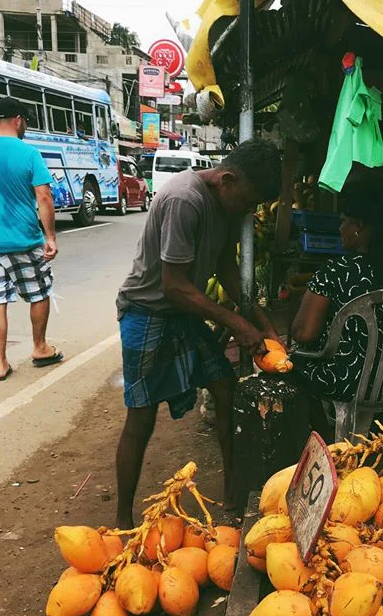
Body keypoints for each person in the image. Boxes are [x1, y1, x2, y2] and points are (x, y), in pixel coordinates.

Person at [114, 138, 283, 528]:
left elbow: (226, 267)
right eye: (247, 202)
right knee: (141, 417)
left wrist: (261, 321)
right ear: (227, 180)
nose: (249, 211)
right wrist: (237, 324)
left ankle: (232, 496)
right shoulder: (184, 200)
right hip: (148, 310)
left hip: (183, 312)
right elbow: (174, 286)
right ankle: (122, 519)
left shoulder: (228, 205)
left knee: (224, 386)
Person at [289, 178, 383, 409]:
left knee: (292, 368)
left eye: (343, 222)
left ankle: (323, 428)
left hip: (348, 381)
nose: (339, 229)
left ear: (358, 226)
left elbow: (304, 334)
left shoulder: (335, 271)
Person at [0, 96, 63, 381]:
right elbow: (44, 196)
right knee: (39, 292)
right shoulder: (29, 153)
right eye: (25, 121)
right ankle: (40, 348)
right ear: (17, 120)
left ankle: (0, 364)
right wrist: (50, 236)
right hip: (24, 240)